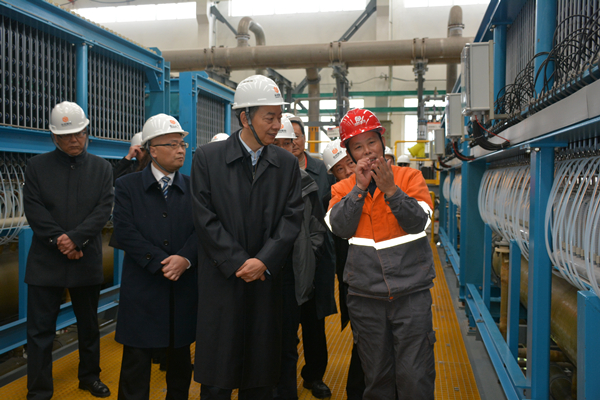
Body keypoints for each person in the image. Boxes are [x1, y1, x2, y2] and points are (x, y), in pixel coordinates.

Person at [191, 75, 304, 400]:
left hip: (265, 284)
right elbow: (204, 218)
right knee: (218, 378)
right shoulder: (207, 158)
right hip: (222, 282)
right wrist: (240, 262)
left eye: (279, 116)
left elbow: (291, 218)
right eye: (269, 117)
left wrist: (263, 261)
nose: (277, 125)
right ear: (245, 118)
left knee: (260, 377)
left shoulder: (286, 164)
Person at [326, 108, 436, 400]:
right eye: (358, 147)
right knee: (376, 379)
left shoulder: (410, 178)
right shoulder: (343, 189)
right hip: (365, 298)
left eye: (371, 142)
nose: (367, 151)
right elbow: (340, 227)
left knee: (415, 377)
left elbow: (420, 222)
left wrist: (392, 191)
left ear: (382, 142)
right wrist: (359, 189)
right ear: (350, 153)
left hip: (410, 294)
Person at [23, 101, 113, 399]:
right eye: (66, 135)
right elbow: (34, 209)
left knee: (89, 326)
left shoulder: (102, 168)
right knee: (40, 332)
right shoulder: (36, 167)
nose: (75, 140)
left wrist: (75, 239)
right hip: (45, 262)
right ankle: (39, 390)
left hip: (84, 257)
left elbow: (102, 210)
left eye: (79, 133)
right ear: (54, 137)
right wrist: (60, 240)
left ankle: (89, 377)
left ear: (87, 132)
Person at [112, 114, 198, 400]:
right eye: (172, 144)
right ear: (153, 150)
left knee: (179, 362)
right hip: (143, 288)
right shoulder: (128, 186)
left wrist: (185, 258)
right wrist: (161, 261)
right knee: (136, 364)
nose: (180, 150)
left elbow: (203, 230)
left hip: (181, 286)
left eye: (182, 144)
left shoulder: (194, 187)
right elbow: (125, 232)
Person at [273, 117, 326, 400]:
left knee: (302, 335)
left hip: (301, 269)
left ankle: (305, 381)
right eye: (278, 143)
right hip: (267, 272)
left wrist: (309, 252)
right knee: (274, 342)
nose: (285, 148)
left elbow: (318, 225)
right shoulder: (256, 178)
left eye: (289, 142)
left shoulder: (310, 176)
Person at [285, 113, 336, 399]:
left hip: (317, 258)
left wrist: (314, 249)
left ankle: (314, 376)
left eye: (297, 136)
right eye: (287, 137)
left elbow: (328, 214)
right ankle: (283, 378)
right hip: (284, 261)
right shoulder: (273, 168)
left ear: (305, 138)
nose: (293, 141)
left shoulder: (320, 170)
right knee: (284, 324)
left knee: (314, 324)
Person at [321, 139, 365, 400]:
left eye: (349, 163)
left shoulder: (378, 188)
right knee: (363, 341)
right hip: (354, 282)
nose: (348, 171)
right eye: (340, 169)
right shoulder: (334, 201)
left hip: (385, 281)